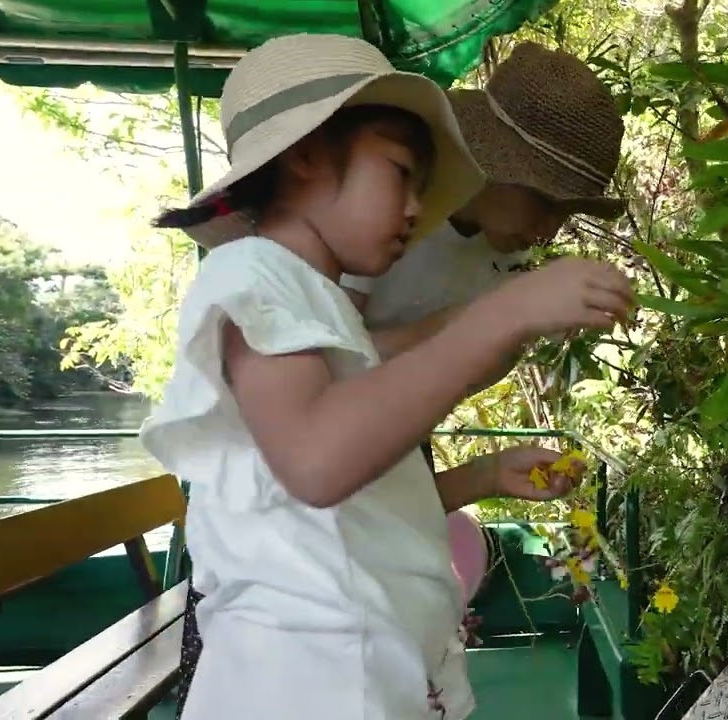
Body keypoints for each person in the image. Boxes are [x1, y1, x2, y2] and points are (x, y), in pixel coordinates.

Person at [141, 33, 633, 720]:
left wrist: (485, 476)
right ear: (308, 155)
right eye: (403, 173)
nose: (416, 209)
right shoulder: (252, 278)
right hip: (304, 681)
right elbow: (317, 463)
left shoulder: (321, 311)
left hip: (365, 671)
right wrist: (500, 315)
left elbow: (361, 510)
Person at [339, 41, 626, 373]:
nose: (549, 233)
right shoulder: (386, 209)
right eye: (545, 203)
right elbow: (329, 361)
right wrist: (482, 319)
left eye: (567, 215)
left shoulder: (506, 266)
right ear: (494, 163)